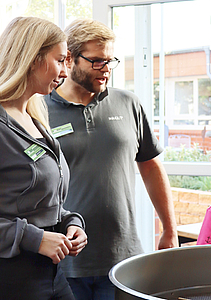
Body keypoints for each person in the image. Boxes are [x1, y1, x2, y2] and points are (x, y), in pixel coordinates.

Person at [44, 18, 178, 299]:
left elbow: (151, 166)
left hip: (123, 258)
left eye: (110, 61)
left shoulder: (128, 103)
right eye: (97, 62)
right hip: (63, 260)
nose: (106, 70)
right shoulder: (39, 110)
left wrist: (169, 228)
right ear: (69, 58)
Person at [0, 16, 87, 299]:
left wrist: (70, 222)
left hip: (51, 276)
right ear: (33, 58)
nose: (65, 71)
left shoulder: (35, 120)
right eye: (60, 60)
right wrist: (34, 239)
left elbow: (36, 203)